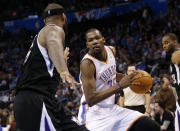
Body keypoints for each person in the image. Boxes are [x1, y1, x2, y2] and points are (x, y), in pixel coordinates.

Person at [14, 3, 88, 131]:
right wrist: (64, 70)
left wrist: (58, 67)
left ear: (44, 20)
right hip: (34, 101)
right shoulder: (53, 29)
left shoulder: (40, 48)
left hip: (44, 101)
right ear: (64, 17)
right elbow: (53, 40)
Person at [78, 28, 160, 131]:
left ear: (103, 39)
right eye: (90, 40)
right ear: (87, 45)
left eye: (97, 38)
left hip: (112, 109)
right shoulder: (87, 64)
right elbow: (90, 99)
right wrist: (120, 86)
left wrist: (133, 79)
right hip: (93, 115)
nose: (94, 42)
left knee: (151, 127)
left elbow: (111, 74)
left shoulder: (112, 51)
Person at [162, 33, 180, 131]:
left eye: (167, 42)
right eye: (163, 44)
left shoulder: (177, 54)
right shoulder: (172, 58)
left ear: (175, 42)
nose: (164, 46)